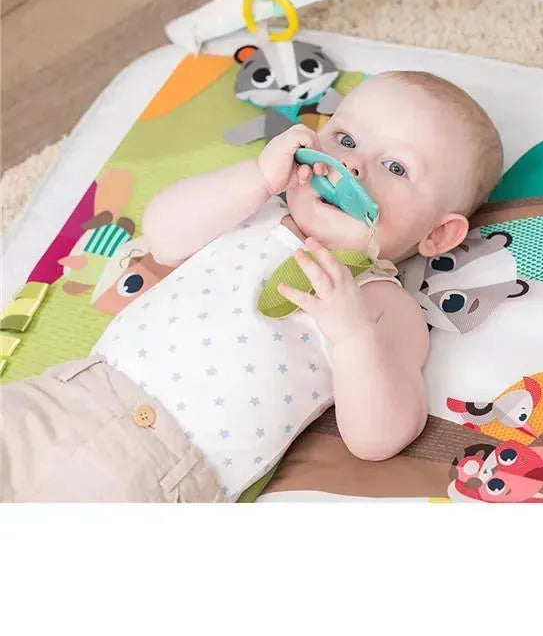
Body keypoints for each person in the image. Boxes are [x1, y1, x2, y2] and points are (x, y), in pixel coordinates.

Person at [0, 71, 503, 502]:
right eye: (346, 141)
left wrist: (352, 336)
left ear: (439, 234)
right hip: (72, 396)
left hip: (159, 467)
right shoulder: (253, 206)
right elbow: (163, 235)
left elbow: (379, 436)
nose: (352, 167)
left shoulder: (380, 302)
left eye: (396, 168)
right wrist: (258, 179)